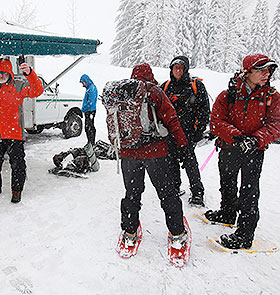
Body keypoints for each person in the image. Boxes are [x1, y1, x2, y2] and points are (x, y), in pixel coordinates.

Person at [205, 54, 280, 249]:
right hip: (230, 147)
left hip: (254, 152)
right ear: (247, 72)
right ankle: (228, 213)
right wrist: (237, 137)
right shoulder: (228, 94)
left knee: (249, 191)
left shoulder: (272, 97)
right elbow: (216, 121)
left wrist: (255, 140)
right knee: (227, 182)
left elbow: (276, 124)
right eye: (261, 70)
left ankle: (245, 235)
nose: (267, 74)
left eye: (269, 70)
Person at [120, 63, 189, 249]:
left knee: (132, 194)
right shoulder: (155, 91)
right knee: (167, 193)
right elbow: (171, 118)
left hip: (128, 153)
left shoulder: (123, 93)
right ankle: (177, 234)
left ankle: (129, 232)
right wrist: (182, 144)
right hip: (155, 153)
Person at [0, 58, 43, 203]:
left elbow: (37, 90)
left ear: (9, 73)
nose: (0, 76)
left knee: (17, 164)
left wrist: (30, 74)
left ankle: (16, 190)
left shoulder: (18, 86)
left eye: (4, 73)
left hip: (14, 134)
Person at [161, 56, 210, 206]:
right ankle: (175, 187)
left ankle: (197, 192)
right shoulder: (166, 86)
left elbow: (204, 110)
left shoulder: (196, 86)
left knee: (190, 163)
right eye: (175, 67)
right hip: (170, 133)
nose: (177, 71)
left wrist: (198, 131)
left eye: (180, 68)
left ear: (186, 69)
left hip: (188, 133)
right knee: (171, 162)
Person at [80, 74, 98, 145]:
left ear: (86, 81)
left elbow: (91, 102)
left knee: (89, 127)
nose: (82, 84)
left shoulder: (92, 88)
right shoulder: (89, 88)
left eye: (83, 82)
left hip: (90, 111)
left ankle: (91, 142)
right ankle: (90, 142)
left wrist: (84, 108)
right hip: (89, 111)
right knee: (88, 127)